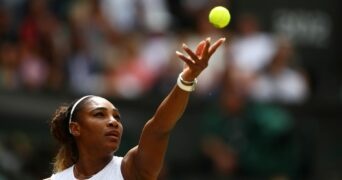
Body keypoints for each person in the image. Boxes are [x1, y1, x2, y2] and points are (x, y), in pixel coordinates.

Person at [44, 37, 225, 180]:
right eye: (99, 114)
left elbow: (158, 128)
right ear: (75, 128)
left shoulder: (131, 170)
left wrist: (186, 80)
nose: (113, 122)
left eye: (117, 117)